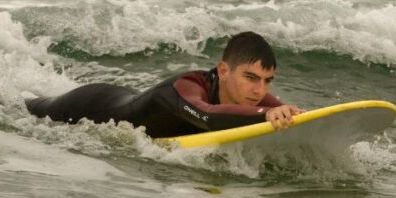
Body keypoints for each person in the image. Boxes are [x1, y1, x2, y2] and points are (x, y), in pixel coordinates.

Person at [25, 31, 303, 138]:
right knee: (20, 109)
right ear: (223, 71)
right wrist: (264, 114)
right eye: (251, 78)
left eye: (267, 82)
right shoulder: (186, 89)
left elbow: (276, 112)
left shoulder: (251, 98)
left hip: (121, 96)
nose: (260, 91)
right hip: (89, 106)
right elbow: (205, 114)